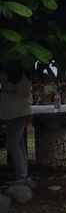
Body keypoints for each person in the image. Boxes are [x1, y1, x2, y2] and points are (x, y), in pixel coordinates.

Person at [0, 71, 33, 206]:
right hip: (12, 112)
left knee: (12, 143)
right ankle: (23, 174)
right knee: (17, 143)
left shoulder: (21, 71)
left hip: (19, 112)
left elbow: (24, 92)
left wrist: (4, 93)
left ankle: (22, 176)